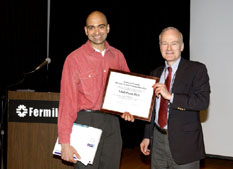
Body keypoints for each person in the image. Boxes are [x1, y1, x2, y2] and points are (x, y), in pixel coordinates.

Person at [57, 10, 134, 169]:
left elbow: (129, 89)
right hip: (86, 122)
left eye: (100, 27)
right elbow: (67, 102)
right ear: (86, 30)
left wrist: (129, 109)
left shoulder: (118, 56)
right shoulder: (74, 59)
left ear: (108, 28)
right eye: (91, 28)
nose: (96, 32)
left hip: (112, 124)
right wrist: (64, 142)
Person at [140, 27, 210, 169]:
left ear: (182, 46)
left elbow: (202, 102)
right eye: (164, 43)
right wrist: (147, 136)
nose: (169, 48)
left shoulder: (197, 70)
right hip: (158, 141)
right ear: (160, 46)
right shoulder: (155, 72)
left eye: (174, 43)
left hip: (185, 144)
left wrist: (171, 96)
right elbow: (152, 108)